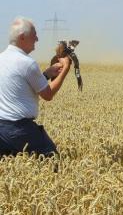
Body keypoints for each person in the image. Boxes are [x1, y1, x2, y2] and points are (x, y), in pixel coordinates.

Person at [0, 16, 71, 157]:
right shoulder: (27, 63)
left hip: (1, 130)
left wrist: (46, 74)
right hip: (20, 130)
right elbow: (48, 94)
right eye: (34, 36)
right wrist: (66, 69)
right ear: (22, 37)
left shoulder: (2, 58)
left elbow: (20, 85)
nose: (37, 39)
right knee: (54, 161)